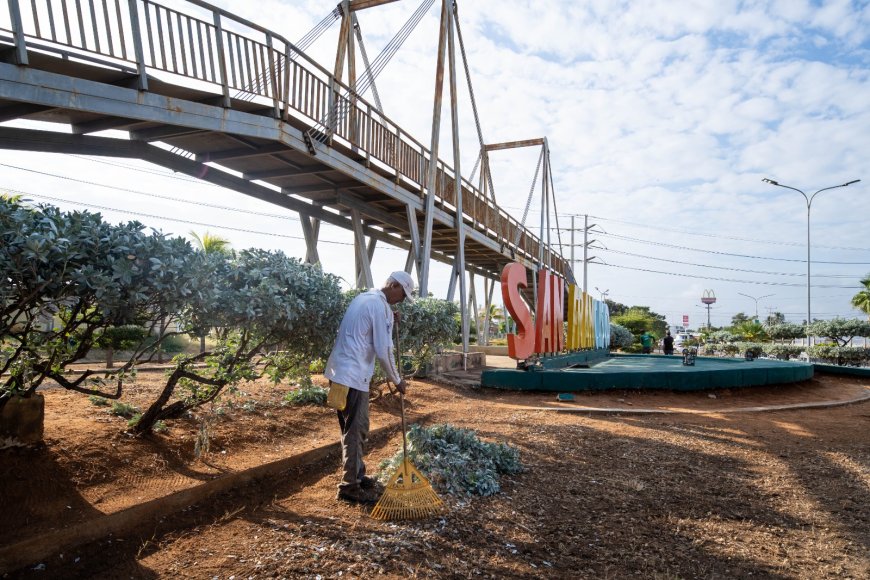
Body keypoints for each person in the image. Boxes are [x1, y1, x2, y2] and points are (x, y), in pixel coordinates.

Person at [324, 271, 414, 504]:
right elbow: (383, 350)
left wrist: (388, 319)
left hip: (340, 373)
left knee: (350, 427)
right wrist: (397, 380)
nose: (402, 300)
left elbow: (368, 328)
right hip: (352, 376)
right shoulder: (378, 306)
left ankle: (357, 475)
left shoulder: (366, 299)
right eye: (402, 294)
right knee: (357, 428)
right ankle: (349, 486)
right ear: (393, 285)